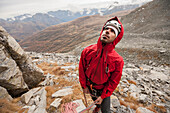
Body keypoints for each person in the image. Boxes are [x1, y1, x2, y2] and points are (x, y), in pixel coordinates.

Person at [79, 16, 124, 113]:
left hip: (103, 90)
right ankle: (97, 106)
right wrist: (84, 86)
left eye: (112, 31)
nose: (107, 31)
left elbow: (113, 81)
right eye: (106, 29)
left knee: (106, 111)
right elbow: (82, 69)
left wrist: (103, 96)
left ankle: (101, 107)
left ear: (116, 38)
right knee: (96, 101)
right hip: (90, 86)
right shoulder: (87, 51)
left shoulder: (118, 60)